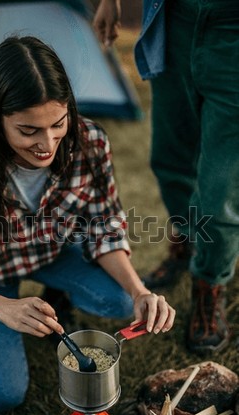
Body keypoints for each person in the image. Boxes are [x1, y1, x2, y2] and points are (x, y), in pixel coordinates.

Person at [0, 36, 175, 413]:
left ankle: (55, 294)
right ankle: (14, 305)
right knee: (4, 397)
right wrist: (1, 307)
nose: (47, 144)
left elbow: (103, 225)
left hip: (53, 253)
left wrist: (139, 290)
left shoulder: (91, 141)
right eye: (28, 131)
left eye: (57, 123)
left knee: (118, 299)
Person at [93, 0, 239, 354]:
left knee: (219, 195)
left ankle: (208, 284)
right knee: (170, 160)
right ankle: (187, 243)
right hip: (172, 18)